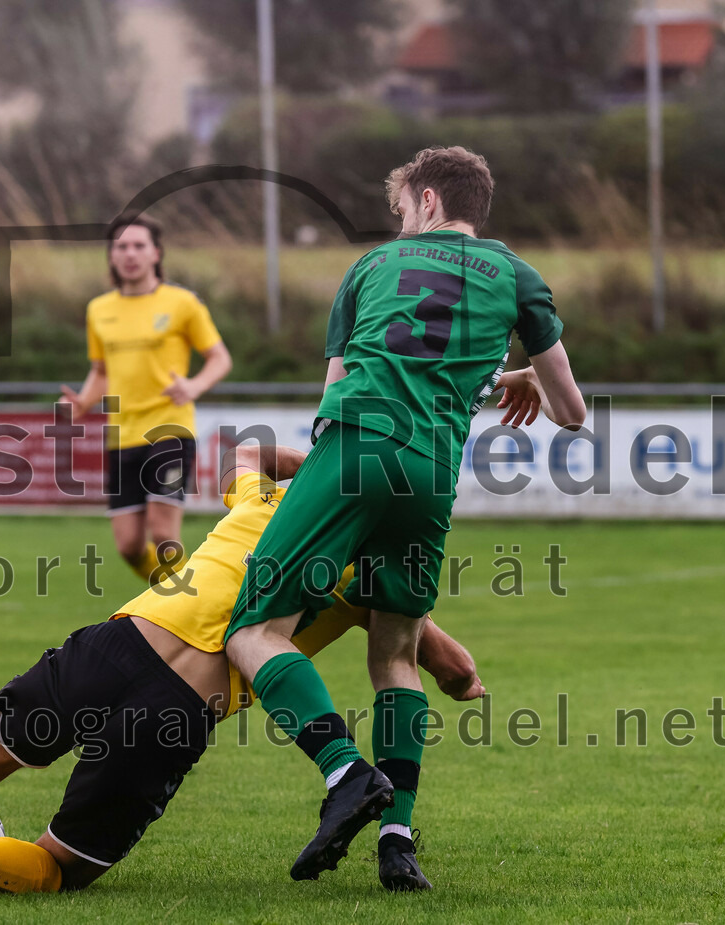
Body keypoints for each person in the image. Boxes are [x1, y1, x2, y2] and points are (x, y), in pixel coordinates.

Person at [0, 441, 482, 900]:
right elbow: (449, 666)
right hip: (178, 710)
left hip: (115, 645)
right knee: (62, 865)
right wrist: (462, 679)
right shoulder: (365, 576)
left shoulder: (262, 501)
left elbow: (240, 451)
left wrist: (320, 465)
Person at [222, 145, 587, 888]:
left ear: (424, 200)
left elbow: (338, 390)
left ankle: (345, 772)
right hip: (429, 475)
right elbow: (572, 413)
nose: (399, 226)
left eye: (400, 211)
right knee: (396, 652)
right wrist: (501, 374)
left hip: (355, 452)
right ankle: (397, 839)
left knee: (253, 631)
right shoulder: (516, 273)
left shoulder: (366, 270)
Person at [60, 214, 232, 584]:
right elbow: (101, 372)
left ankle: (189, 615)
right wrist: (82, 404)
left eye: (139, 245)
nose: (130, 254)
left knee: (163, 534)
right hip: (122, 434)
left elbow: (220, 358)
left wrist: (193, 386)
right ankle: (178, 599)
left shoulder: (181, 302)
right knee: (128, 546)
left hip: (170, 427)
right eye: (121, 246)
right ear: (111, 256)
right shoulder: (99, 309)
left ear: (156, 253)